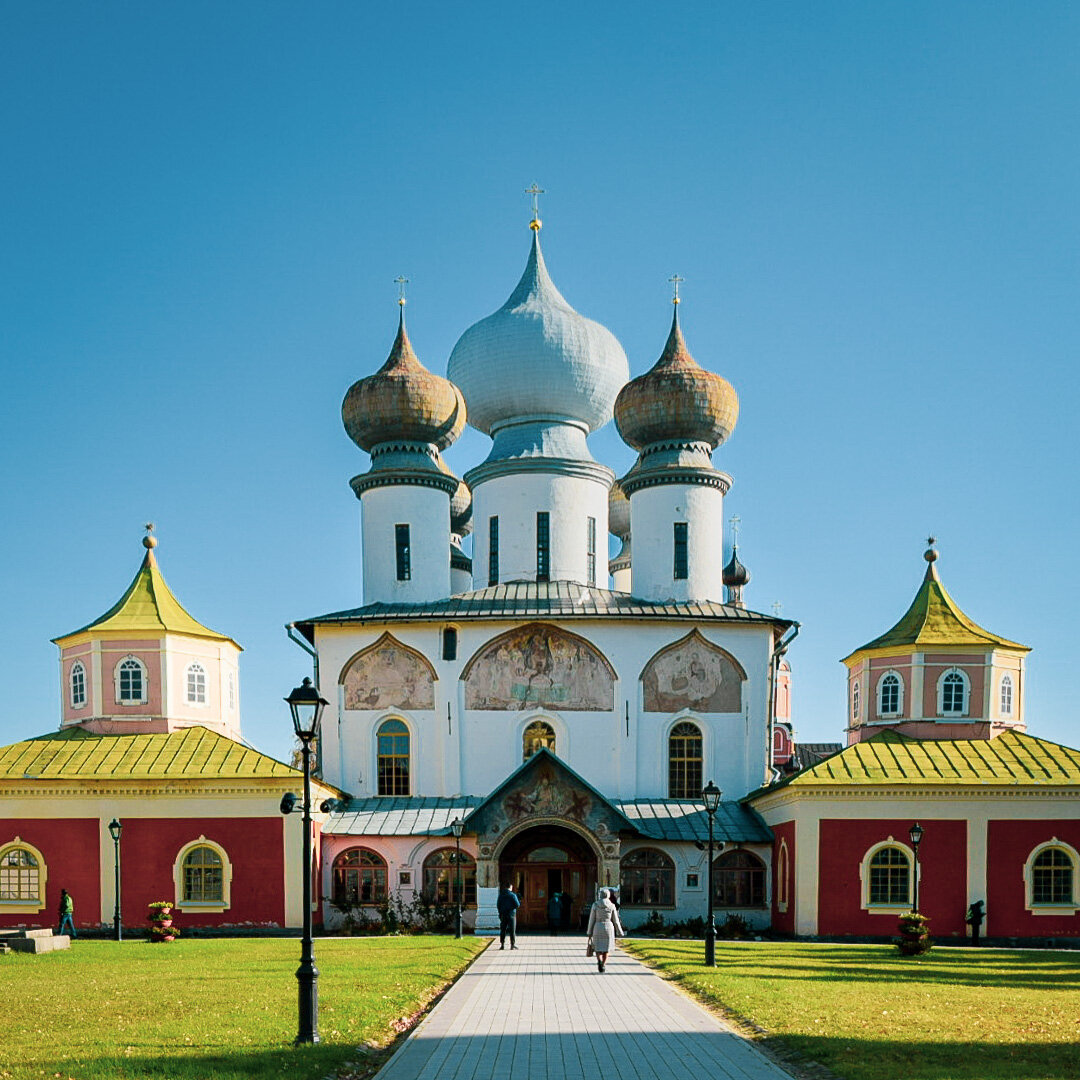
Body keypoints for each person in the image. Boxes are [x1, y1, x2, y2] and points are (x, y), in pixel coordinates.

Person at [586, 887, 623, 973]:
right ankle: (603, 964)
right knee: (607, 948)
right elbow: (616, 920)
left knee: (598, 947)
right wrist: (620, 931)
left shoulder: (595, 905)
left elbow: (591, 919)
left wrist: (589, 932)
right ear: (608, 895)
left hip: (597, 927)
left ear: (600, 895)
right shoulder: (612, 905)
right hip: (608, 927)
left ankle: (599, 960)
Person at [497, 882, 520, 950]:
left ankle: (502, 944)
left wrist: (501, 912)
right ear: (510, 887)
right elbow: (517, 904)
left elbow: (498, 905)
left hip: (503, 914)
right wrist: (511, 908)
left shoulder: (501, 895)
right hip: (511, 915)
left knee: (503, 930)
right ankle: (512, 945)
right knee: (512, 930)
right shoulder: (513, 895)